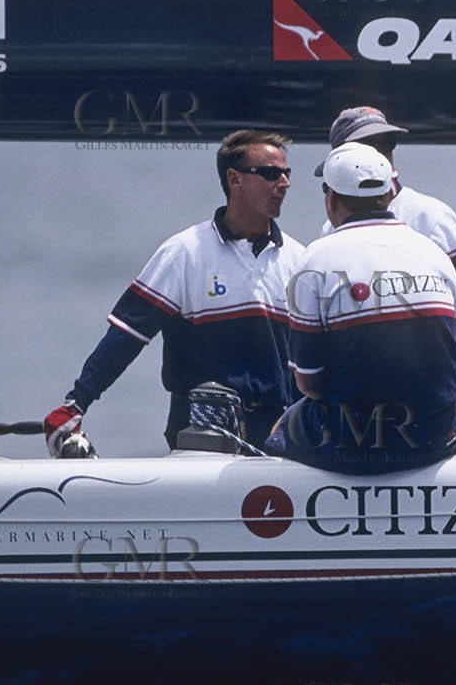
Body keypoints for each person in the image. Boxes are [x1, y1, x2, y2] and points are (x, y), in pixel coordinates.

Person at [44, 129, 305, 452]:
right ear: (234, 179)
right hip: (198, 436)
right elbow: (126, 338)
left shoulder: (300, 260)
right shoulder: (183, 253)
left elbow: (318, 359)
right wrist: (76, 403)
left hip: (279, 436)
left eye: (285, 173)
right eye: (270, 173)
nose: (284, 183)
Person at [267, 142, 456, 472]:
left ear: (331, 199)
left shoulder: (315, 260)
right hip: (437, 439)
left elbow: (307, 382)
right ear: (389, 194)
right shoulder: (435, 254)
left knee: (281, 429)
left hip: (356, 447)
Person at [315, 106, 456, 297]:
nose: (380, 154)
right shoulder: (329, 229)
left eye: (388, 144)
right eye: (367, 146)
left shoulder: (432, 217)